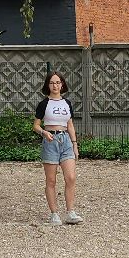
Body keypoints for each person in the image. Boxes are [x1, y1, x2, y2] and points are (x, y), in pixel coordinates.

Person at [33, 72, 82, 226]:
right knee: (51, 180)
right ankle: (54, 213)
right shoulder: (43, 104)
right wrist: (43, 132)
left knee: (71, 177)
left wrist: (74, 144)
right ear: (48, 85)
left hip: (65, 140)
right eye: (52, 83)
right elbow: (35, 125)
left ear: (62, 84)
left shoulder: (67, 103)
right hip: (50, 141)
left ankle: (70, 212)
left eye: (58, 82)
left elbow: (70, 124)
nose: (55, 85)